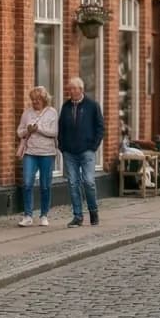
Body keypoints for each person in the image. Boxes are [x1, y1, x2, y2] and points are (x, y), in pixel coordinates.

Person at [58, 76, 105, 228]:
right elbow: (61, 128)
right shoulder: (65, 107)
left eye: (73, 88)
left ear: (81, 89)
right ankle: (77, 216)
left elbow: (100, 127)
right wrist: (62, 147)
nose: (70, 91)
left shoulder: (92, 105)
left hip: (87, 151)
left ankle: (93, 211)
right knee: (73, 183)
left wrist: (94, 146)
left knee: (89, 182)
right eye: (69, 88)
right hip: (69, 152)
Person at [15, 86, 59, 227]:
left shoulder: (52, 113)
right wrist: (26, 131)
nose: (35, 102)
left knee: (45, 185)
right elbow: (19, 131)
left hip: (47, 153)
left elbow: (54, 132)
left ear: (44, 99)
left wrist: (38, 129)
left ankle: (44, 215)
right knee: (27, 183)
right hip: (30, 153)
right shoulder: (27, 113)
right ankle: (28, 215)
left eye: (38, 99)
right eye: (33, 100)